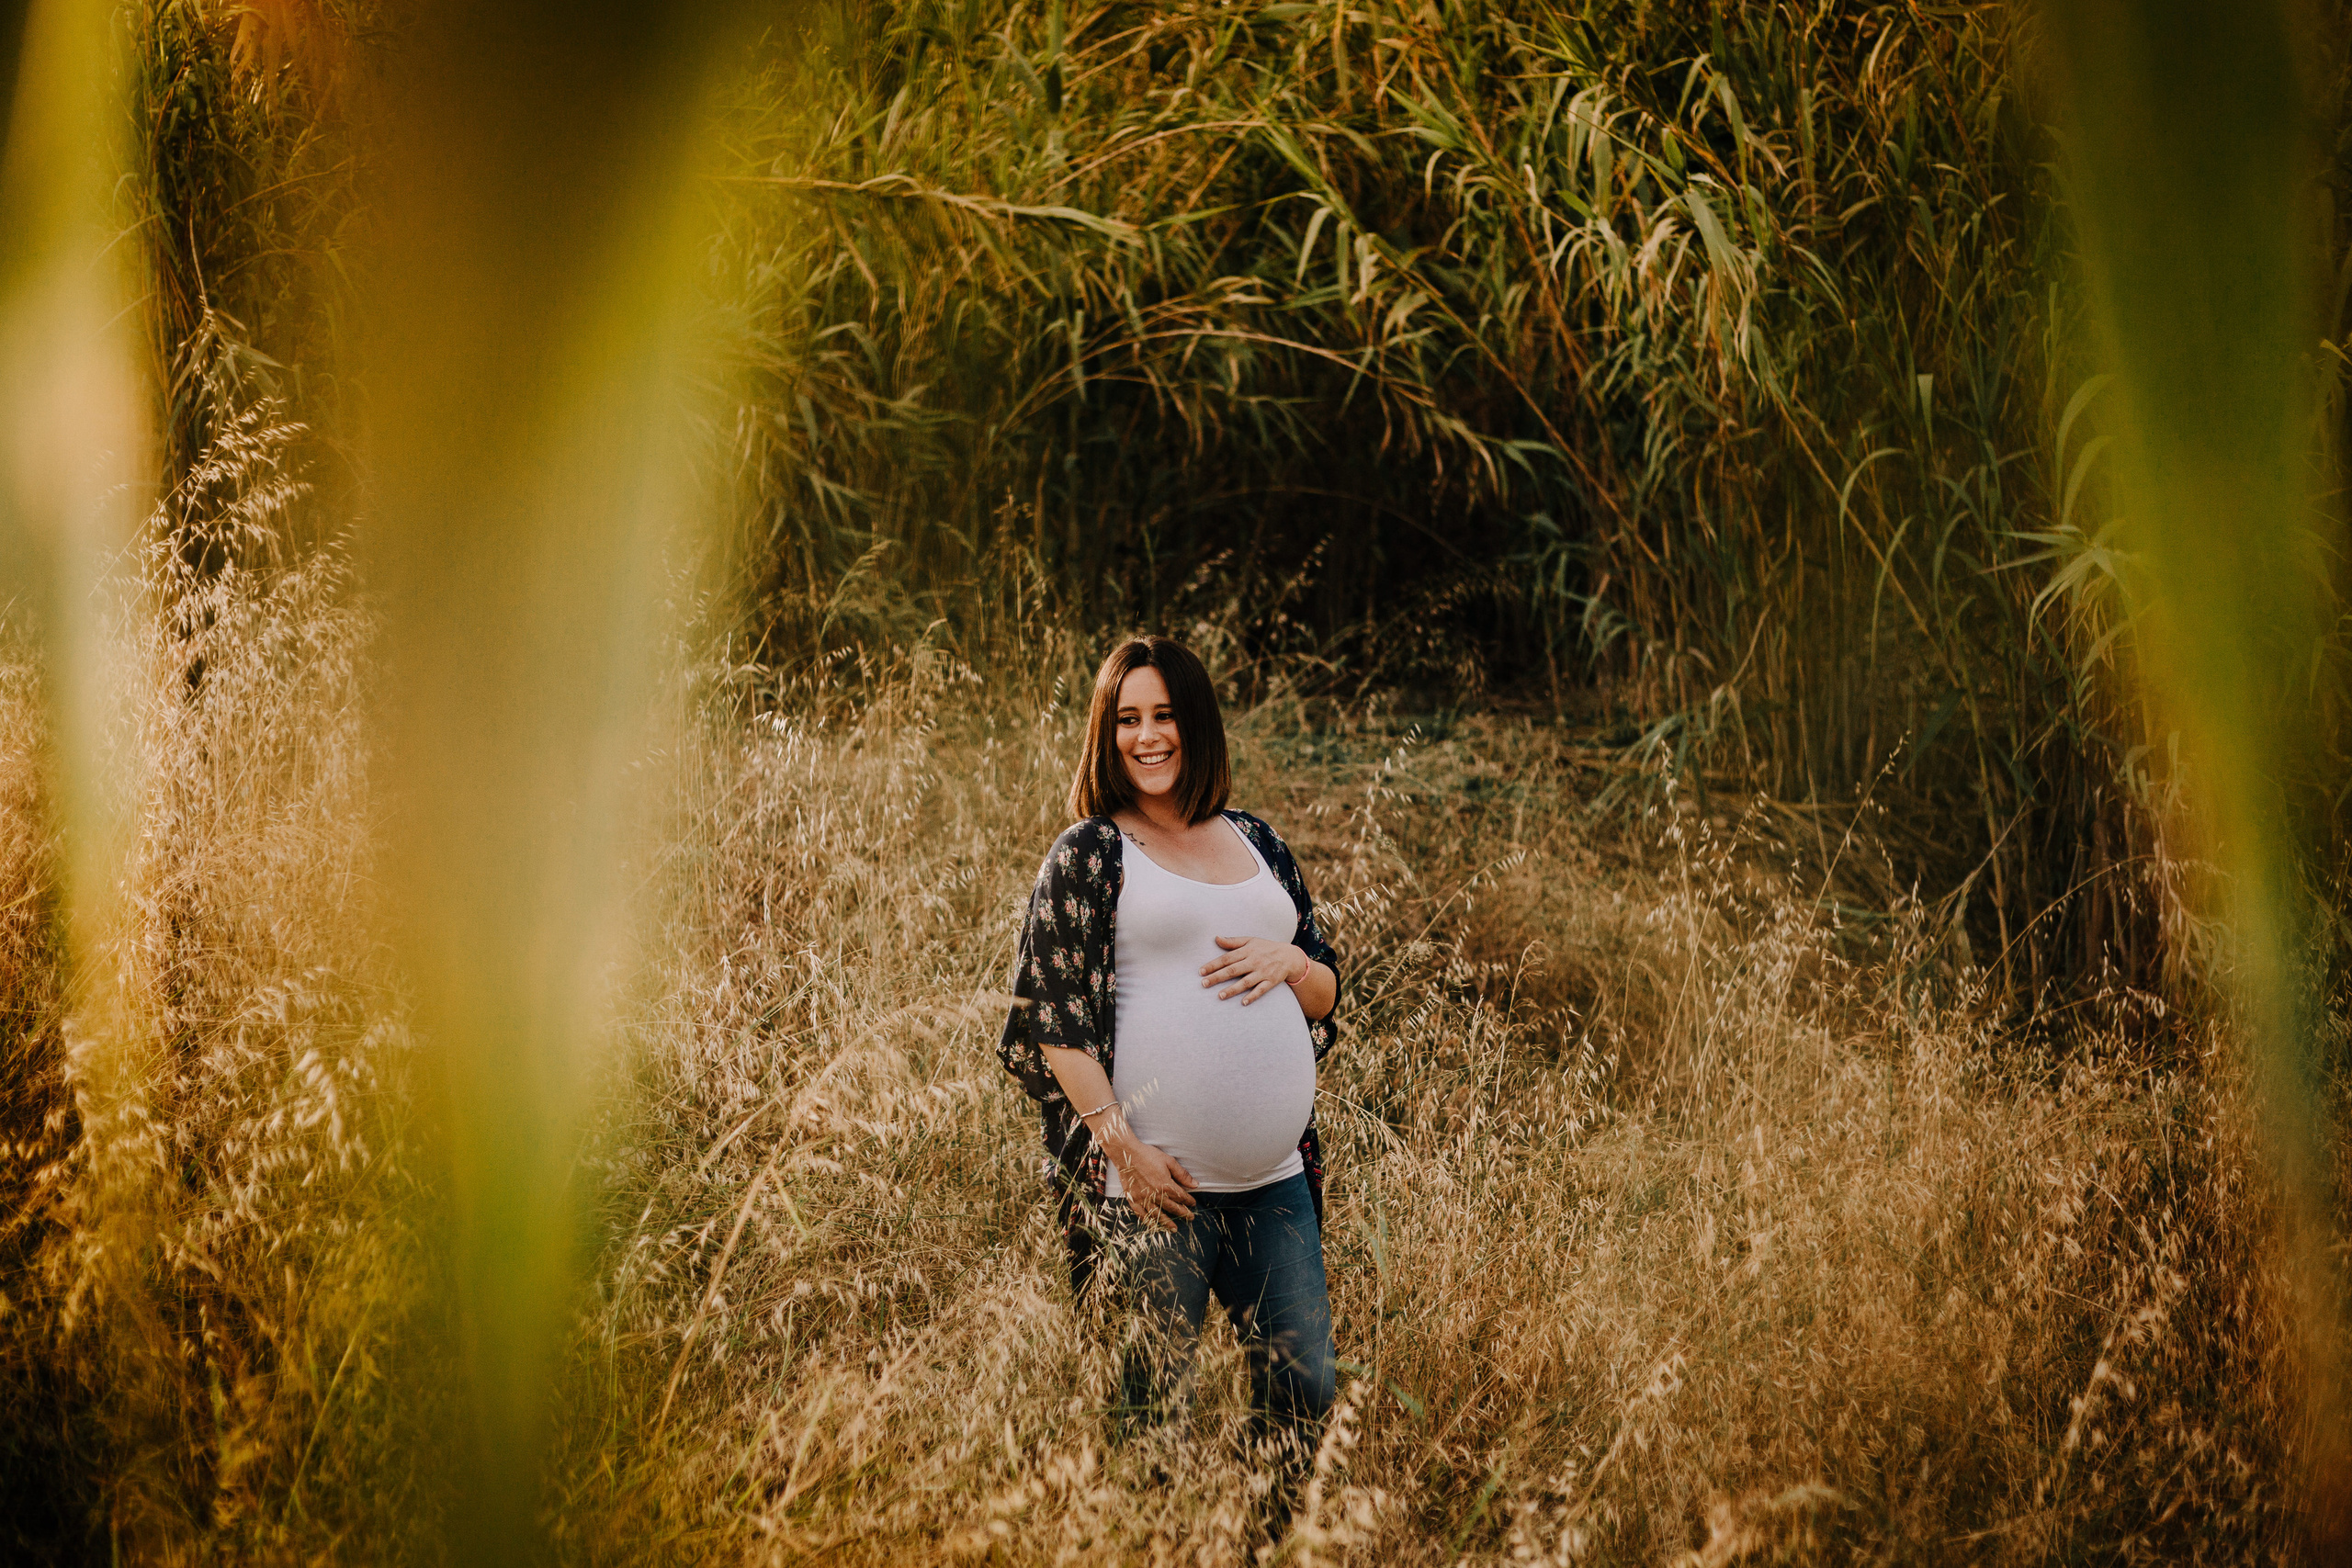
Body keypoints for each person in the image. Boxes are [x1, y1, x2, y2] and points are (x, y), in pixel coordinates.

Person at [998, 635, 1342, 1466]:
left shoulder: (1257, 841)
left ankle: (1268, 1542)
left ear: (1197, 723)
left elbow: (1328, 987)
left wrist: (1293, 961)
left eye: (1164, 715)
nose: (1147, 736)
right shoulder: (1089, 851)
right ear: (1105, 733)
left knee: (1306, 1390)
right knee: (1151, 1412)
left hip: (1274, 1180)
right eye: (1127, 718)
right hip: (1155, 1189)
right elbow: (1054, 1019)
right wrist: (1125, 1150)